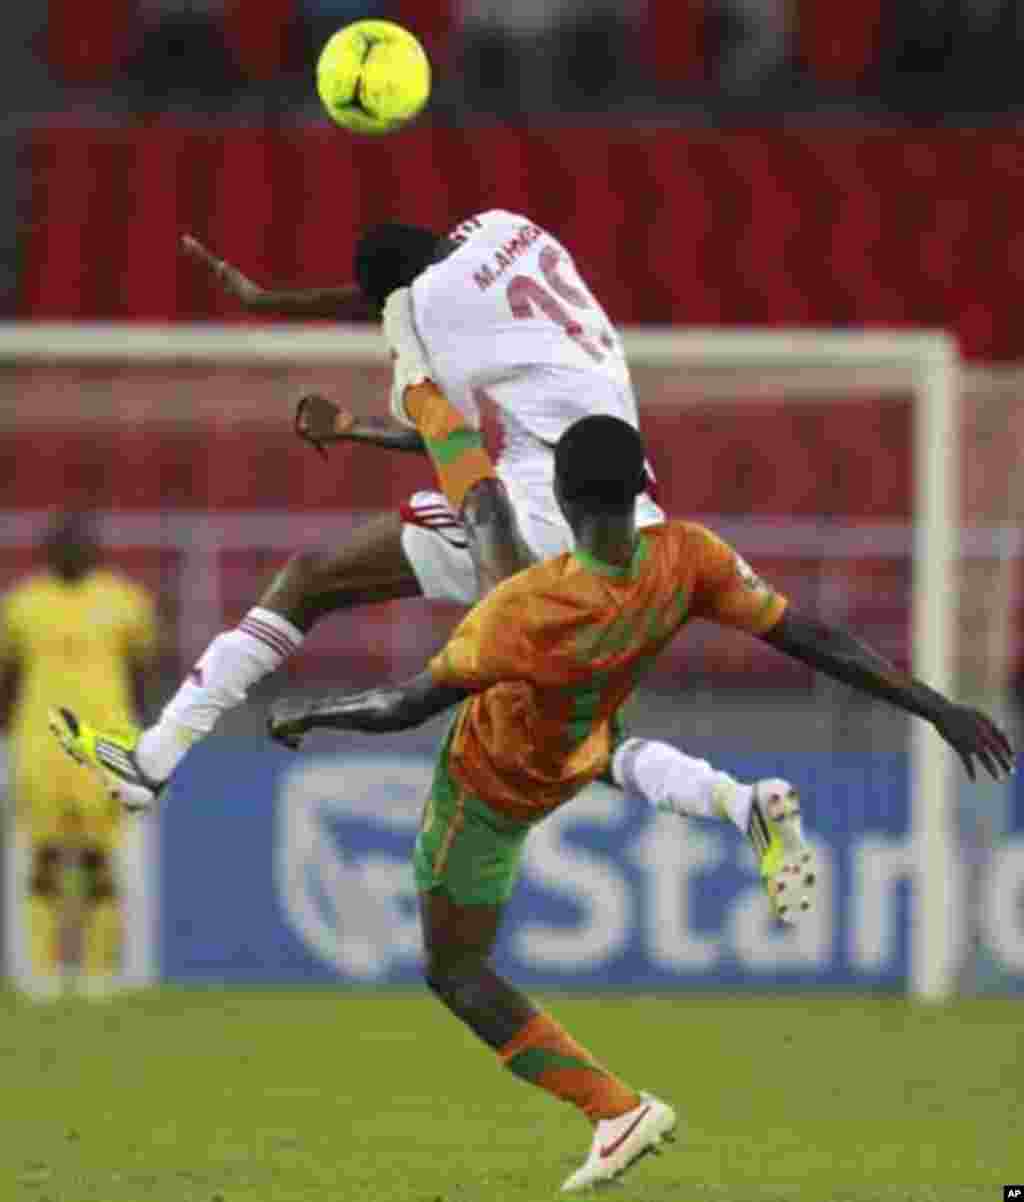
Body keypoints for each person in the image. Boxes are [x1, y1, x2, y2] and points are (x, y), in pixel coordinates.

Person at [265, 412, 1013, 1192]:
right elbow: (812, 637)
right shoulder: (688, 558)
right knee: (608, 747)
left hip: (493, 788)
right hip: (582, 740)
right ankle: (736, 801)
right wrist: (937, 708)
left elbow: (405, 706)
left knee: (453, 971)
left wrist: (311, 713)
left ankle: (614, 1110)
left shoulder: (520, 611)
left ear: (558, 495)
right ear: (641, 491)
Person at [50, 210, 788, 883]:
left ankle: (156, 754)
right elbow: (399, 299)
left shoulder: (428, 314)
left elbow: (447, 435)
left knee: (311, 579)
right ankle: (736, 800)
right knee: (570, 733)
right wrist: (270, 303)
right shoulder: (505, 232)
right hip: (624, 504)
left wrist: (356, 421)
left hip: (536, 508)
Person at [0, 513, 158, 998]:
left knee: (100, 859)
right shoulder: (22, 604)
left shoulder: (126, 601)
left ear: (95, 550)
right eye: (64, 544)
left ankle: (97, 971)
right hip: (38, 744)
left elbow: (139, 675)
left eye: (81, 544)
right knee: (43, 858)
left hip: (105, 744)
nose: (73, 552)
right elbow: (9, 676)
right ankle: (42, 973)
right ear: (48, 551)